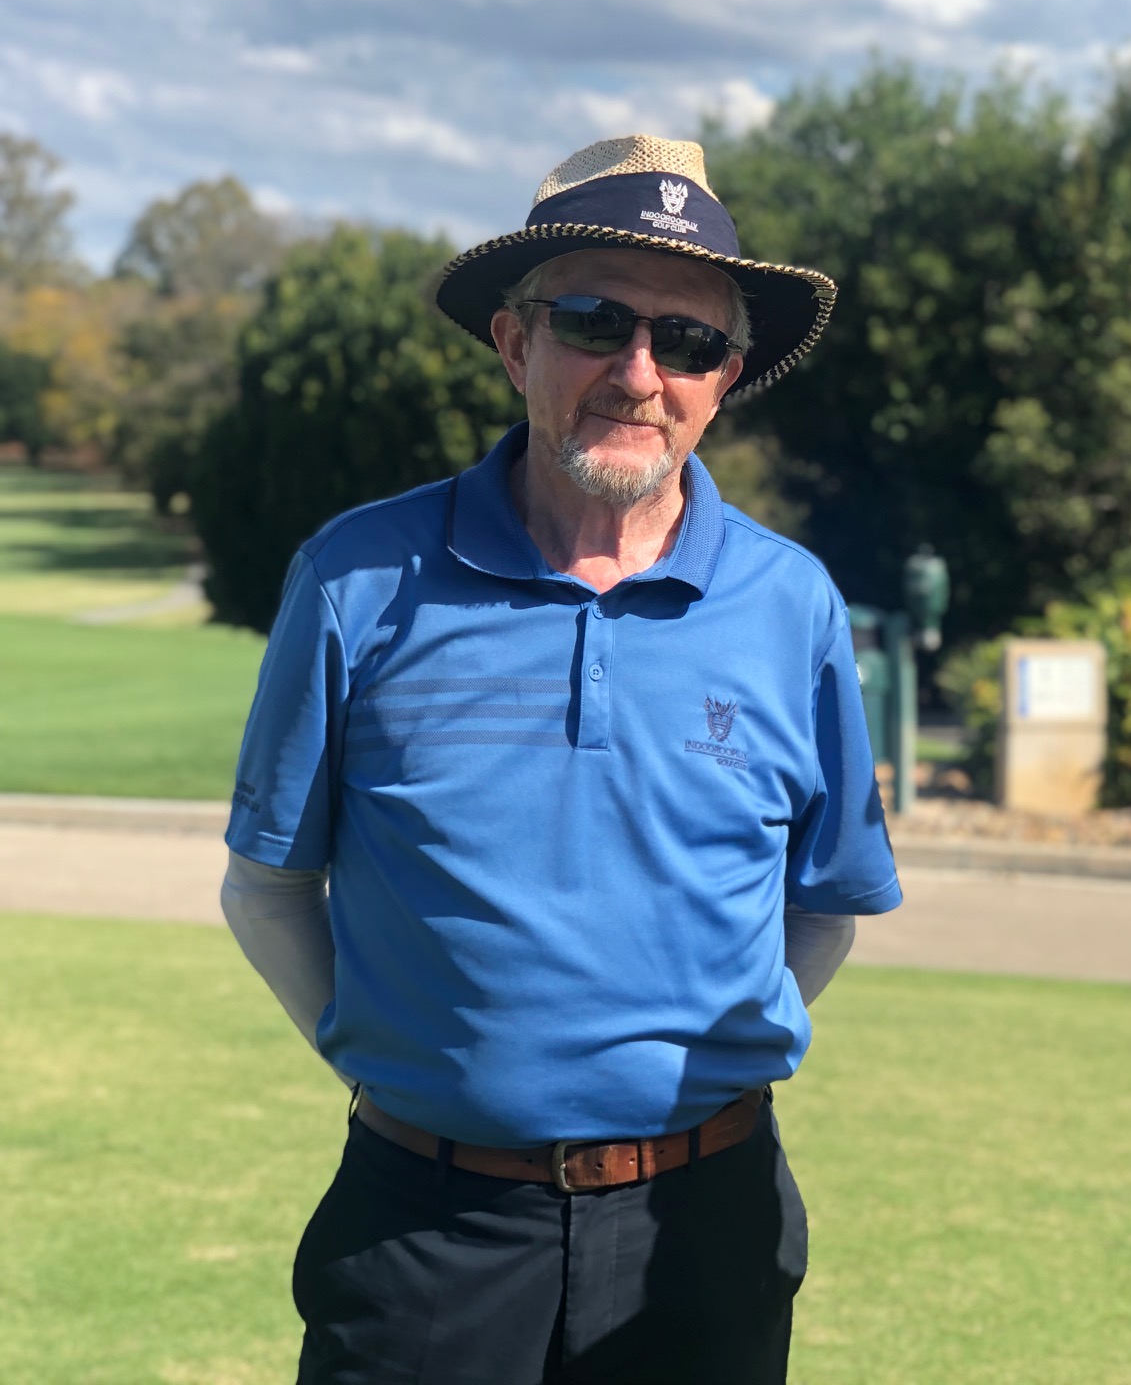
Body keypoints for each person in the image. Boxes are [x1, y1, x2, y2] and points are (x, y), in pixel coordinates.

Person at [220, 135, 901, 1384]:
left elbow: (824, 908)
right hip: (425, 1225)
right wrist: (395, 1050)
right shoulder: (356, 578)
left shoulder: (792, 603)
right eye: (594, 321)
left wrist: (683, 1078)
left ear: (726, 376)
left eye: (687, 342)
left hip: (707, 1229)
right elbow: (266, 885)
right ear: (515, 342)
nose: (639, 374)